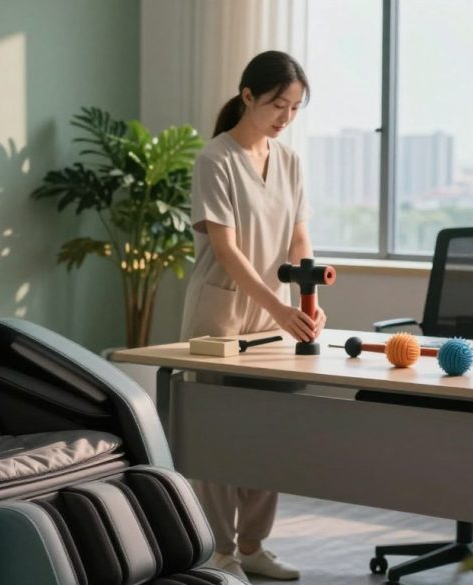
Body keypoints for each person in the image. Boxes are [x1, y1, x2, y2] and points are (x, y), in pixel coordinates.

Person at [179, 50, 326, 583]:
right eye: (277, 105)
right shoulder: (215, 159)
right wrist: (281, 308)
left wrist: (306, 296)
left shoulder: (288, 161)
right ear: (248, 96)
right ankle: (220, 552)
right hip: (223, 314)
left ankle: (254, 546)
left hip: (276, 315)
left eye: (295, 108)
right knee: (221, 436)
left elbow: (299, 236)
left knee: (267, 433)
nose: (286, 118)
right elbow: (226, 250)